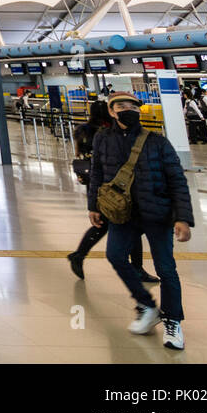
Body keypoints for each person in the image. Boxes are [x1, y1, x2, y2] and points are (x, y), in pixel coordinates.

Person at [87, 92, 194, 350]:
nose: (128, 110)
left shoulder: (157, 142)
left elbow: (177, 180)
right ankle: (146, 304)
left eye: (133, 106)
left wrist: (183, 218)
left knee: (166, 269)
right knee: (115, 256)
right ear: (112, 111)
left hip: (157, 213)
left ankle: (173, 320)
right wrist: (93, 205)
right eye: (122, 106)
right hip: (123, 215)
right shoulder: (103, 139)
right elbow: (97, 174)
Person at [67, 99, 154, 282]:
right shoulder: (107, 133)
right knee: (128, 224)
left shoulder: (84, 131)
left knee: (105, 223)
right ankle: (136, 268)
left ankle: (79, 255)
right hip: (116, 184)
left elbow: (80, 155)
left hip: (98, 184)